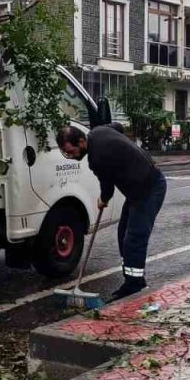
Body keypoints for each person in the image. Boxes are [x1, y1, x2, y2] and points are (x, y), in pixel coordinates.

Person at [56, 124, 167, 300]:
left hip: (149, 189)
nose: (71, 156)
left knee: (134, 238)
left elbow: (107, 186)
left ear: (82, 141)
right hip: (136, 190)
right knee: (123, 233)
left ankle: (135, 285)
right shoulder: (98, 131)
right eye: (66, 153)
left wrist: (103, 200)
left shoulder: (97, 158)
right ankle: (131, 279)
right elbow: (118, 127)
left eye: (72, 151)